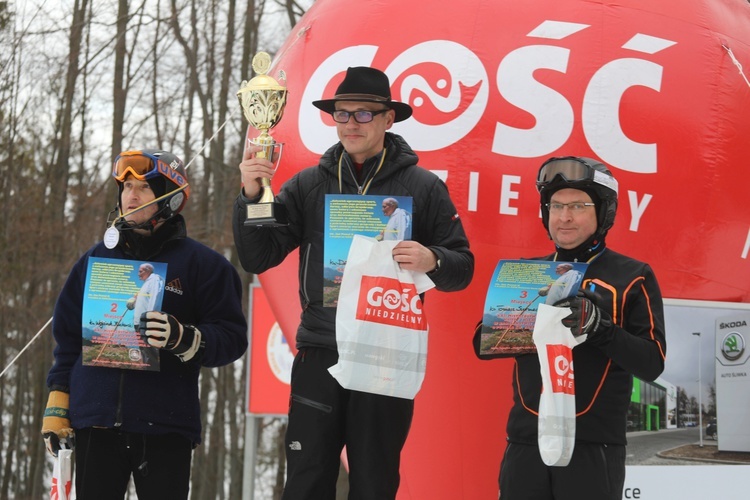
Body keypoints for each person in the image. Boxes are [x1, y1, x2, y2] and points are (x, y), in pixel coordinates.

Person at [233, 66, 474, 499]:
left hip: (385, 355)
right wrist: (251, 198)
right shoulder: (309, 184)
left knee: (374, 483)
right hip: (321, 351)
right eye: (341, 115)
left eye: (363, 114)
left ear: (388, 119)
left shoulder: (423, 188)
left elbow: (463, 267)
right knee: (307, 480)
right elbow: (259, 255)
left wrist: (432, 258)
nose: (350, 124)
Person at [42, 149, 248, 499]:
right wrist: (59, 402)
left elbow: (232, 336)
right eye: (126, 187)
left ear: (170, 199)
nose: (131, 196)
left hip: (165, 424)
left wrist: (187, 339)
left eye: (143, 188)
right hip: (96, 421)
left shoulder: (205, 266)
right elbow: (67, 338)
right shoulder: (94, 259)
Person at [474, 156, 666, 499]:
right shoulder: (527, 273)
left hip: (594, 445)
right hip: (525, 442)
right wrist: (513, 322)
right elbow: (481, 346)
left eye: (578, 205)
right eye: (555, 205)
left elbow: (652, 362)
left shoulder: (633, 275)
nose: (563, 216)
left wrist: (599, 326)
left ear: (604, 211)